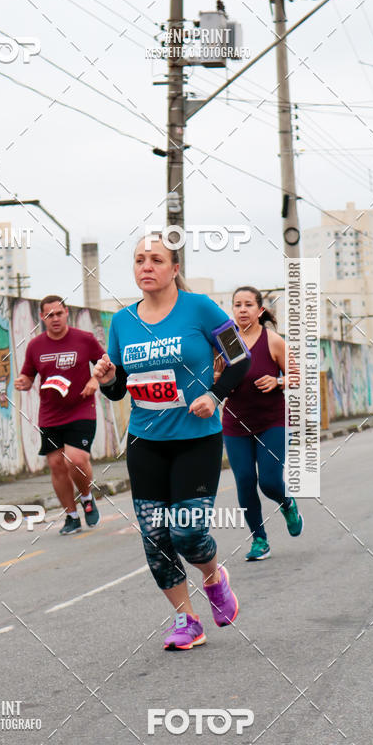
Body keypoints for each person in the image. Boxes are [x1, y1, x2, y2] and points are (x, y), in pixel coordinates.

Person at [94, 235, 250, 651]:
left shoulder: (201, 308)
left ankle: (214, 577)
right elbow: (119, 388)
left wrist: (214, 395)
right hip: (145, 441)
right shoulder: (123, 321)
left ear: (174, 269)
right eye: (139, 260)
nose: (146, 266)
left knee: (188, 533)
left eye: (156, 259)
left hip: (196, 439)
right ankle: (187, 620)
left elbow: (240, 358)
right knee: (155, 538)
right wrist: (108, 379)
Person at [218, 286, 304, 562]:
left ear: (260, 310)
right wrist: (221, 383)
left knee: (269, 482)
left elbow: (296, 376)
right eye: (237, 305)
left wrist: (277, 381)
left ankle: (287, 503)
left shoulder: (273, 341)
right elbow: (216, 375)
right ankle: (260, 540)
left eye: (248, 305)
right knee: (244, 481)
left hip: (272, 421)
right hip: (236, 424)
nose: (242, 309)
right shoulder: (227, 341)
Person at [15, 295, 105, 534]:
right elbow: (28, 375)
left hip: (81, 408)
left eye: (58, 313)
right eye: (49, 315)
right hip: (50, 414)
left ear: (66, 313)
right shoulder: (35, 346)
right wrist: (23, 382)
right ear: (42, 318)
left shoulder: (84, 339)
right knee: (56, 464)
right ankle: (71, 516)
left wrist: (95, 380)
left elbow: (105, 363)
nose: (54, 318)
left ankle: (86, 497)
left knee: (75, 459)